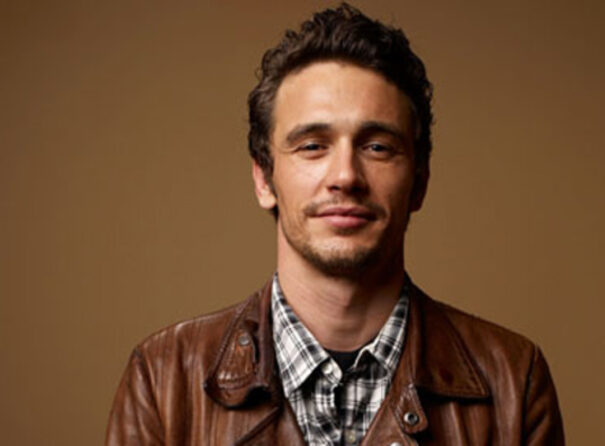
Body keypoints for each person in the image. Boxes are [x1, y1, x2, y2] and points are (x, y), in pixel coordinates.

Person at [106, 3, 564, 445]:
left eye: (377, 147)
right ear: (264, 179)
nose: (345, 176)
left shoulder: (513, 381)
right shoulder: (162, 380)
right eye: (312, 146)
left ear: (419, 182)